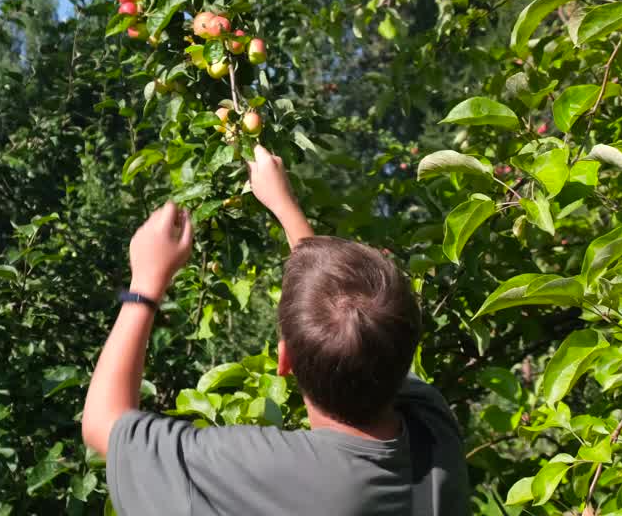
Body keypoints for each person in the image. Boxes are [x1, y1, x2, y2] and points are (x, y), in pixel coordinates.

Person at [82, 145, 469, 515]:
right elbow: (348, 313)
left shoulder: (260, 471)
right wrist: (284, 207)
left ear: (284, 361)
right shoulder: (434, 430)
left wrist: (145, 284)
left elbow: (103, 424)